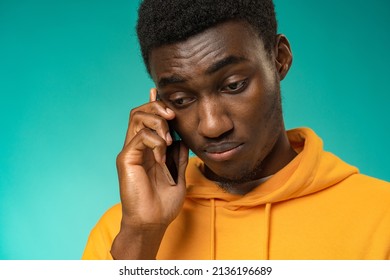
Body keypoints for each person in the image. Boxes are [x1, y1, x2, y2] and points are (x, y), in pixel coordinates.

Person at [82, 0, 390, 260]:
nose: (213, 125)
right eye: (180, 99)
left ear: (279, 59)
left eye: (233, 85)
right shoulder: (121, 234)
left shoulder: (381, 218)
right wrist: (140, 239)